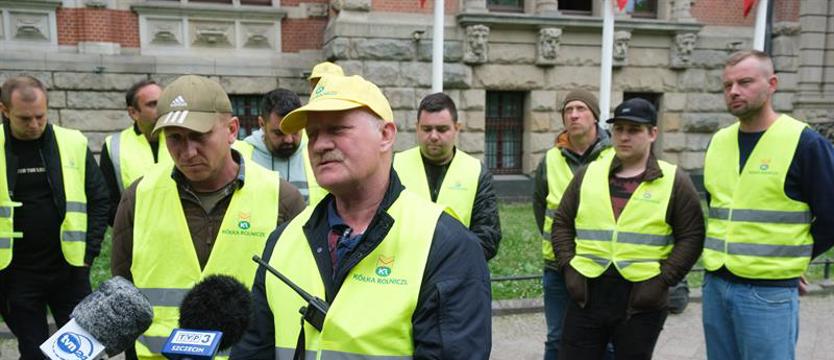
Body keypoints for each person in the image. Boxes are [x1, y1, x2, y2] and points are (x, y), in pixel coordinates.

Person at [232, 75, 492, 359]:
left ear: (385, 135)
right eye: (314, 134)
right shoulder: (282, 242)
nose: (319, 145)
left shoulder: (447, 247)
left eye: (337, 130)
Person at [110, 75, 305, 359]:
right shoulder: (138, 197)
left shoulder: (282, 199)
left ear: (232, 129)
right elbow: (123, 294)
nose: (187, 152)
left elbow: (295, 304)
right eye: (175, 138)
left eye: (199, 136)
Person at [701, 50, 834, 360]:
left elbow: (831, 215)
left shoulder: (805, 142)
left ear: (772, 83)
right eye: (727, 85)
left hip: (768, 292)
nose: (733, 91)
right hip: (716, 285)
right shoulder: (719, 141)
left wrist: (794, 259)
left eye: (745, 82)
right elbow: (720, 208)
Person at [553, 97, 704, 360]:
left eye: (634, 130)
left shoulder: (673, 180)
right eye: (619, 129)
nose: (624, 137)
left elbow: (691, 236)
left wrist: (663, 280)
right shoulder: (588, 174)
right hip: (587, 292)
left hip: (641, 298)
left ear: (652, 133)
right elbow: (562, 223)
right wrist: (569, 269)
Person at [0, 75, 109, 359]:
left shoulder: (72, 142)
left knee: (83, 352)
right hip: (15, 274)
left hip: (70, 269)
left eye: (40, 116)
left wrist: (89, 253)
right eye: (24, 119)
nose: (34, 125)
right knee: (33, 352)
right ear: (4, 110)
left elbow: (99, 198)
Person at [532, 89, 611, 360]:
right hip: (558, 266)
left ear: (595, 116)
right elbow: (540, 206)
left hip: (603, 265)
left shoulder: (614, 157)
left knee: (606, 339)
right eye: (568, 110)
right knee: (557, 336)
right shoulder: (550, 159)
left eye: (581, 109)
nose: (574, 115)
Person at [393, 93, 501, 260]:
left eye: (442, 129)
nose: (434, 136)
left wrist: (450, 264)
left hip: (457, 274)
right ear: (417, 128)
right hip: (402, 270)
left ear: (457, 128)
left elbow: (488, 236)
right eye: (427, 129)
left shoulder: (476, 171)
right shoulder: (395, 166)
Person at [100, 80, 170, 225]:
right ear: (133, 113)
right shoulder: (114, 146)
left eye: (163, 102)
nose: (161, 108)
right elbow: (107, 202)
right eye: (152, 104)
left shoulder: (182, 139)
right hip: (135, 237)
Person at [244, 88, 325, 204]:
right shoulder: (240, 155)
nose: (288, 139)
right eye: (279, 133)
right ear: (262, 124)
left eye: (295, 131)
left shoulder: (317, 151)